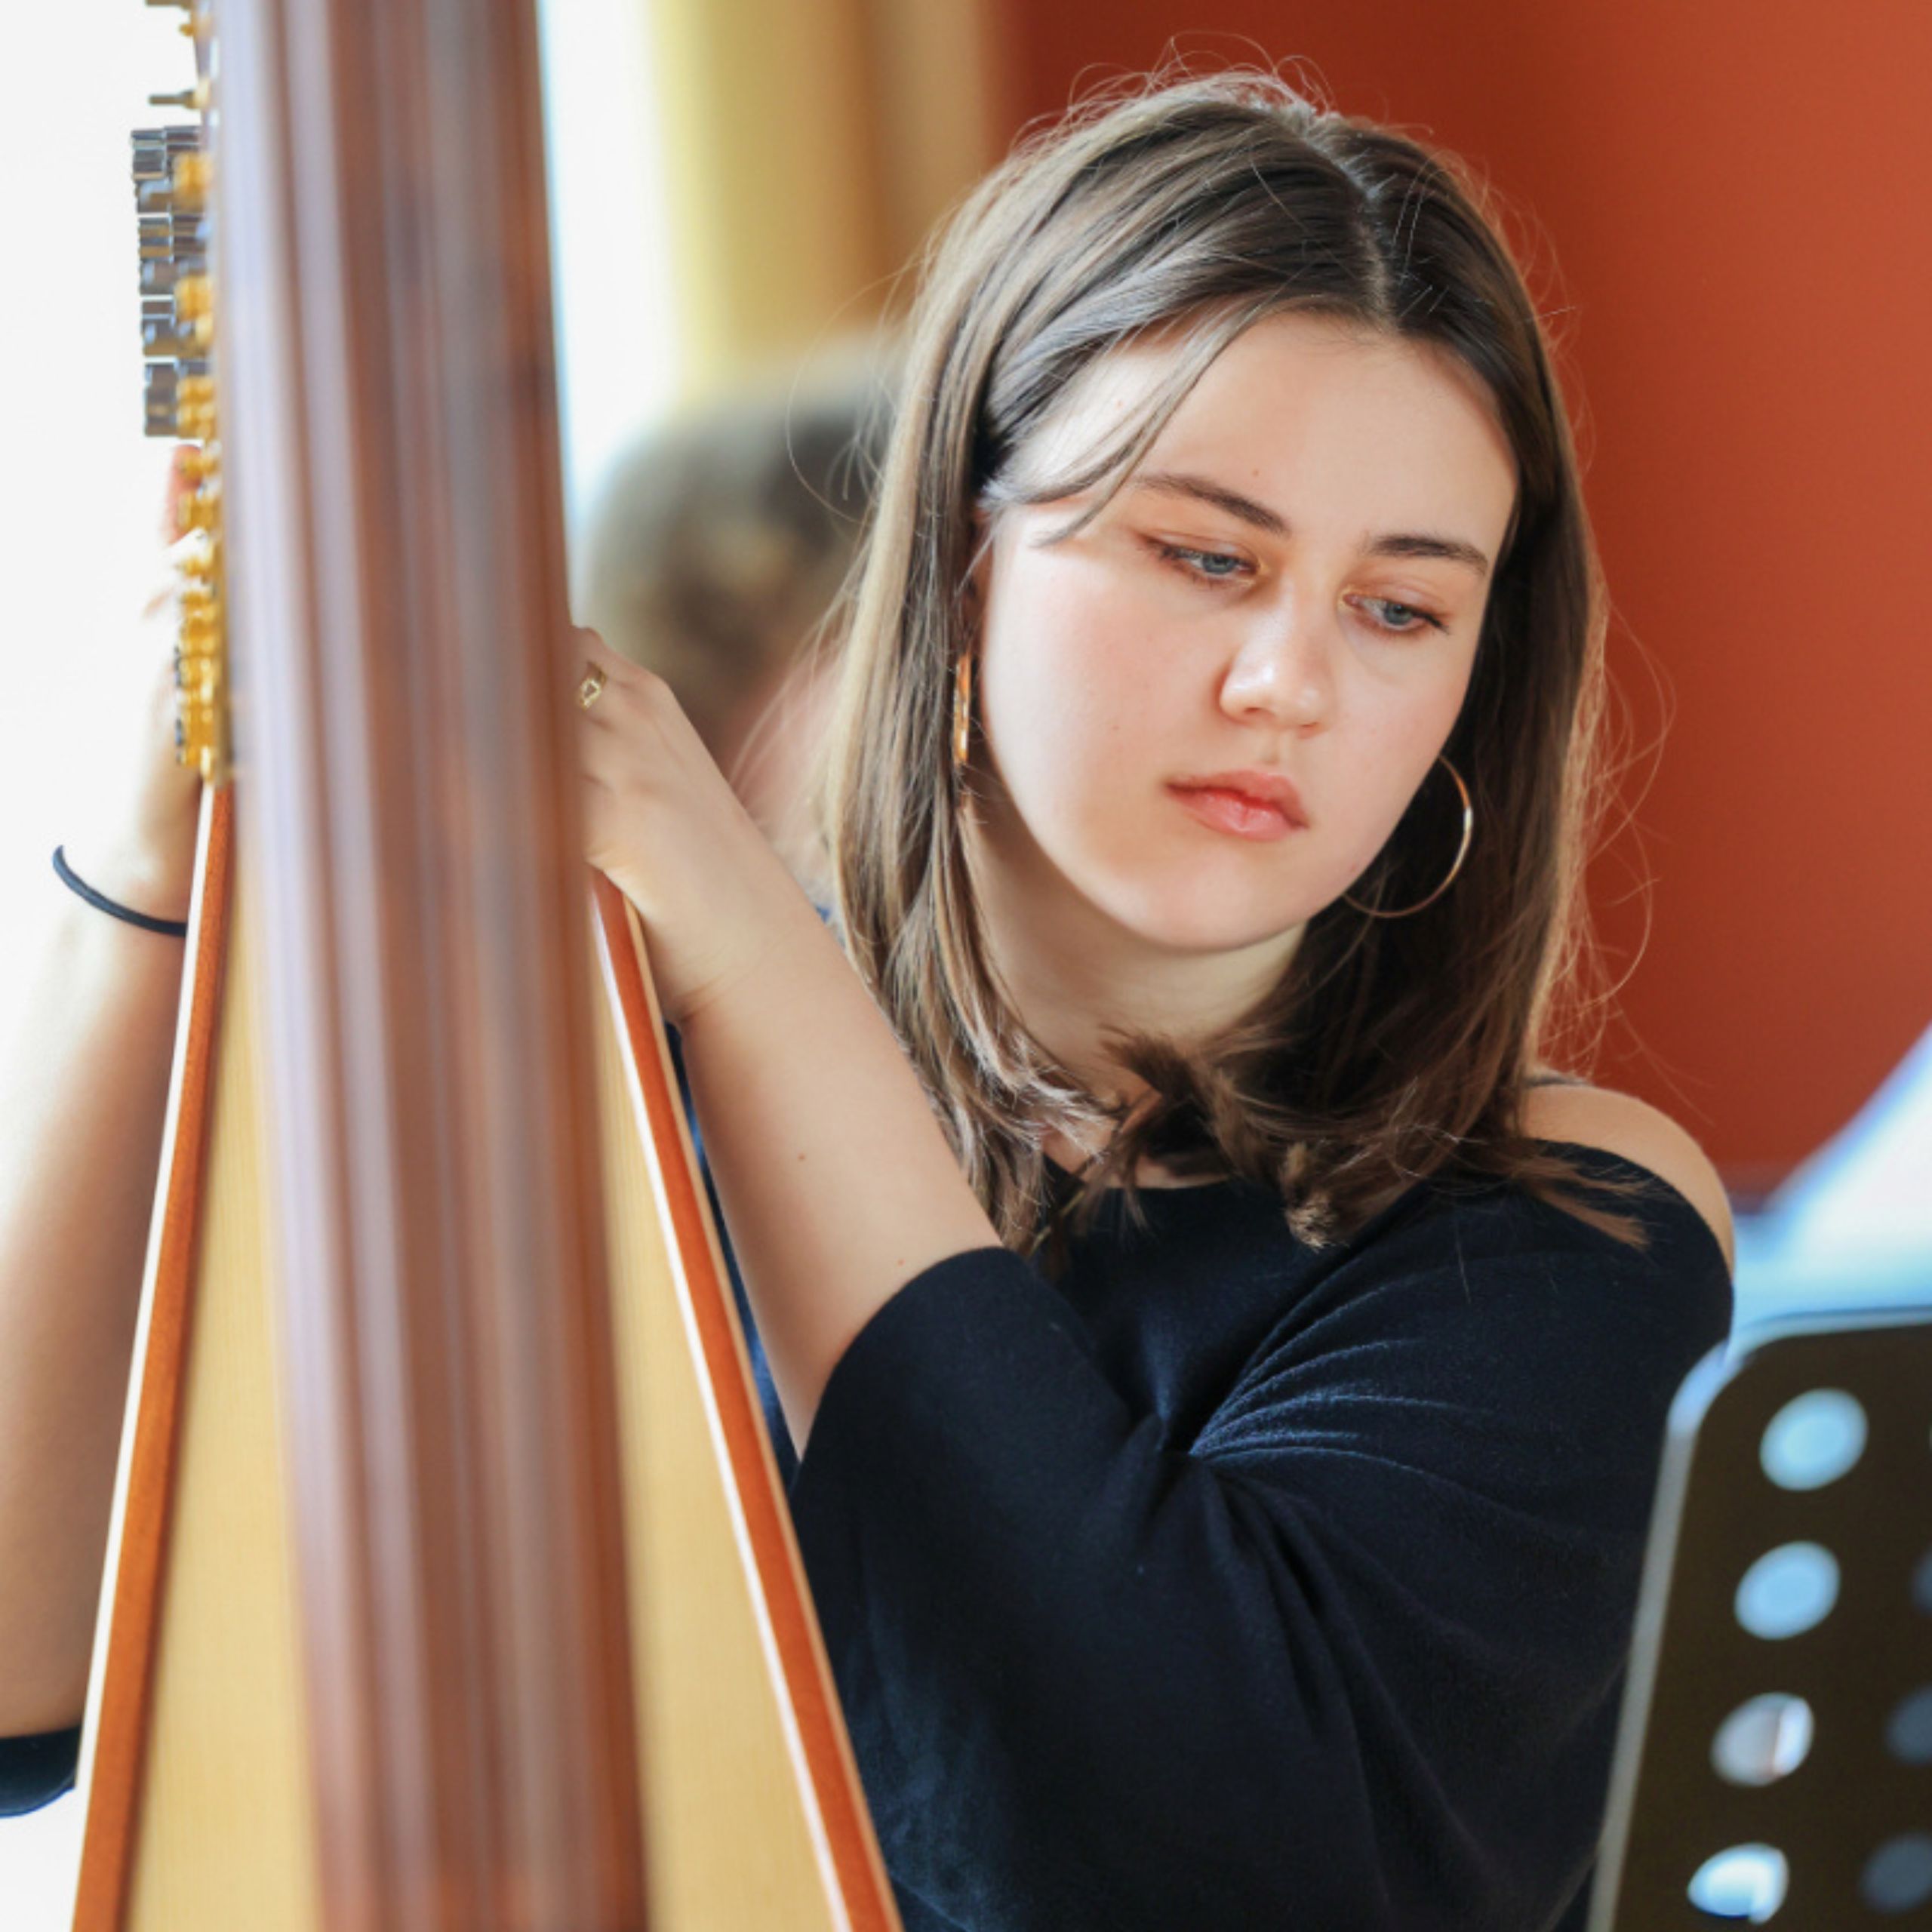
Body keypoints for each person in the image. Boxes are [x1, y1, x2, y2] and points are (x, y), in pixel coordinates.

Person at [0, 69, 1734, 1932]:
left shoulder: (1564, 1223)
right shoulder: (585, 1091)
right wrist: (156, 862)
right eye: (1203, 555)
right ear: (958, 562)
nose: (1286, 681)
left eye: (1399, 608)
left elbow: (1173, 1867)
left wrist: (757, 958)